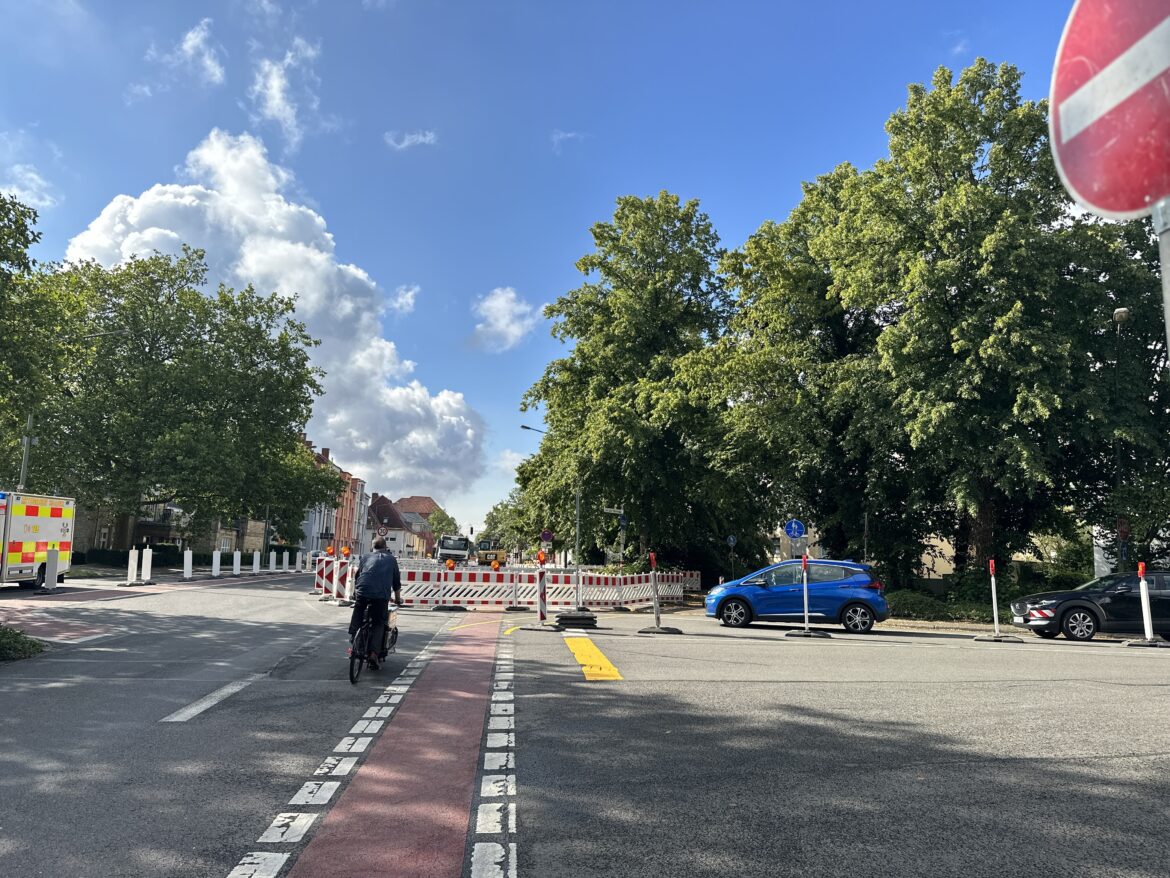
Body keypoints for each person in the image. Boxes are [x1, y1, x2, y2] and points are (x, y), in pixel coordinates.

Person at [347, 537, 403, 669]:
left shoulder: (365, 557)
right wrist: (398, 599)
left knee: (358, 615)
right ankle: (373, 653)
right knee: (378, 623)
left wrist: (356, 593)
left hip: (362, 592)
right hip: (380, 595)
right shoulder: (391, 559)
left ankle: (354, 641)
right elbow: (396, 583)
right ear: (385, 547)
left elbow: (358, 576)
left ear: (372, 547)